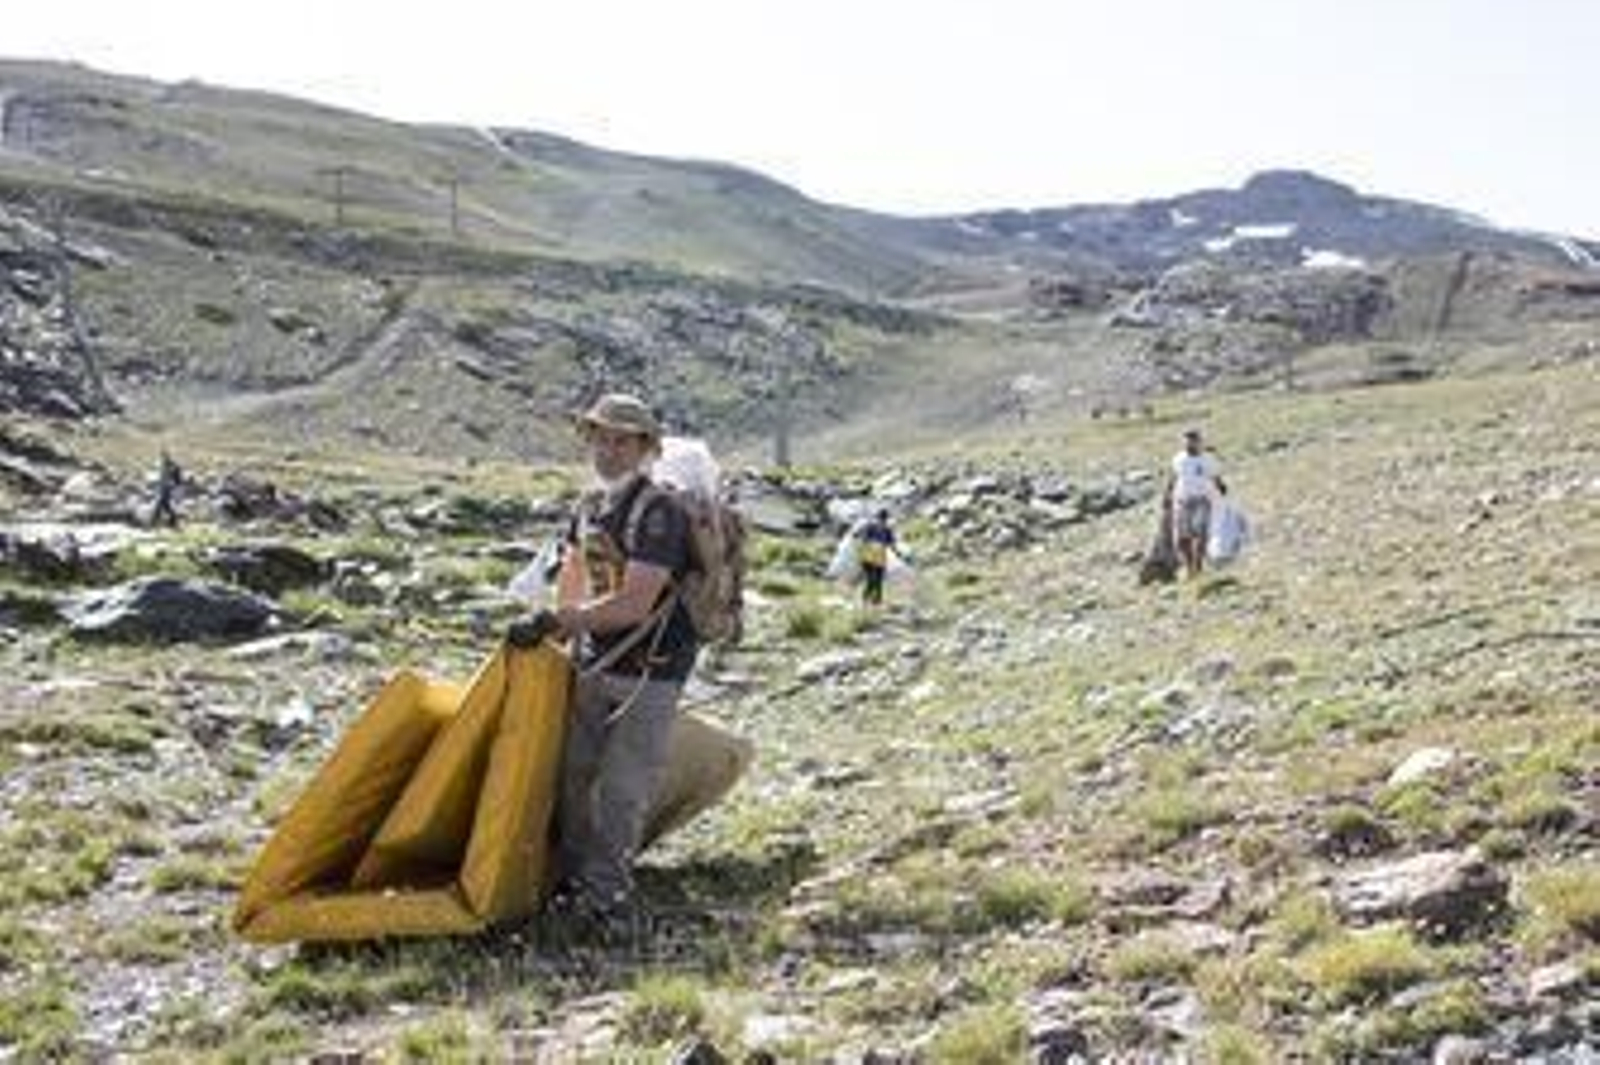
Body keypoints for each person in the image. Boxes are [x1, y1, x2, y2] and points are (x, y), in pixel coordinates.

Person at [505, 393, 699, 935]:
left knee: (623, 786)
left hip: (651, 670)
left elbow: (637, 603)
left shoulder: (658, 513)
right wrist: (558, 632)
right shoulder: (590, 505)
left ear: (643, 448)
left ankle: (607, 899)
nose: (609, 450)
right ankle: (568, 882)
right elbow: (572, 570)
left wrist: (560, 624)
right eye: (601, 438)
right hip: (593, 660)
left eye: (622, 440)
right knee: (573, 776)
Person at [1169, 428, 1226, 579]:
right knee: (1182, 538)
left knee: (1201, 534)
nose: (1189, 443)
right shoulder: (1178, 459)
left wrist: (1221, 488)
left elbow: (1216, 477)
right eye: (1187, 440)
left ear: (1199, 442)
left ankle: (1198, 565)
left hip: (1202, 499)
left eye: (1193, 440)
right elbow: (1174, 477)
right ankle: (1190, 567)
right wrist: (1168, 495)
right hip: (1183, 500)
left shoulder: (1207, 459)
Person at [855, 509, 897, 607]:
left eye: (883, 519)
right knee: (872, 580)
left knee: (878, 581)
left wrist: (900, 555)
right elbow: (862, 540)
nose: (882, 521)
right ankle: (865, 601)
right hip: (870, 557)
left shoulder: (886, 530)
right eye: (882, 519)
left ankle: (876, 602)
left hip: (877, 557)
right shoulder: (871, 527)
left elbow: (891, 545)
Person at [151, 449, 183, 528]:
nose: (163, 458)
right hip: (163, 487)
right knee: (164, 505)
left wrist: (174, 484)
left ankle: (155, 522)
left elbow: (177, 477)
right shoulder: (162, 465)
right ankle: (172, 522)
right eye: (162, 456)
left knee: (161, 504)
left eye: (164, 456)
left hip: (168, 488)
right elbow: (160, 477)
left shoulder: (172, 465)